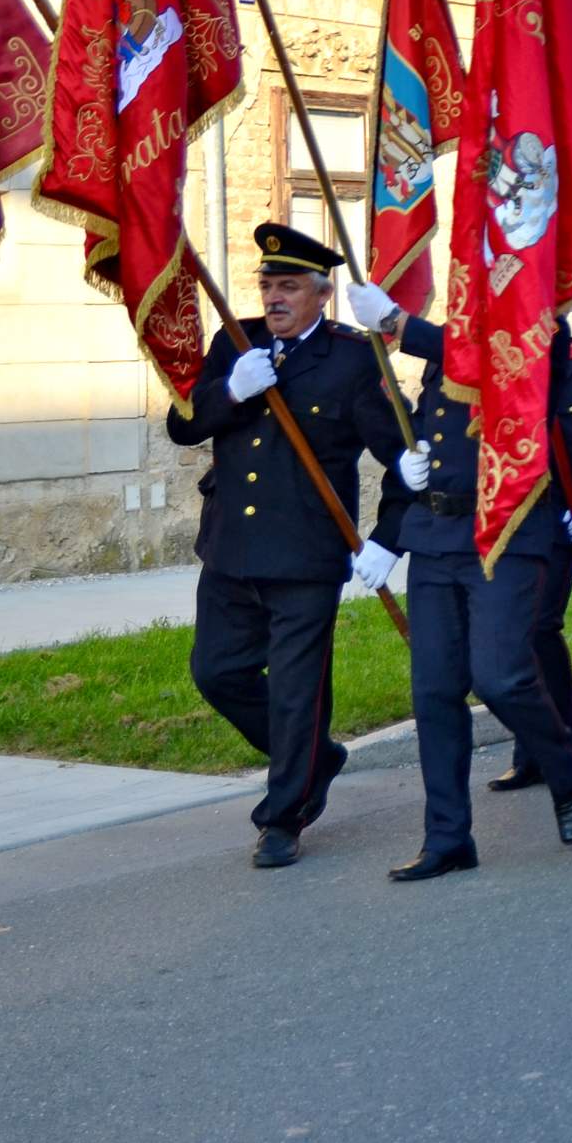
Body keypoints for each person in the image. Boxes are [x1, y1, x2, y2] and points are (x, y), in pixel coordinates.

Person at [166, 223, 414, 870]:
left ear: (320, 295)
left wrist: (388, 540)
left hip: (305, 555)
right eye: (266, 285)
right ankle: (314, 758)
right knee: (216, 672)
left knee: (298, 692)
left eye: (288, 288)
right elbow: (182, 424)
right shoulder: (235, 340)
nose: (273, 298)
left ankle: (283, 817)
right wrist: (230, 391)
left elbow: (406, 459)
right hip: (230, 547)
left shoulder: (353, 358)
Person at [344, 281, 572, 880]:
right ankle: (448, 837)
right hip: (438, 532)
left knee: (502, 676)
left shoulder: (542, 334)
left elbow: (502, 368)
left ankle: (563, 766)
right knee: (434, 691)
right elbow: (437, 429)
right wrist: (404, 493)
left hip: (505, 529)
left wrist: (401, 324)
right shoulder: (450, 344)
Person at [487, 316, 572, 793]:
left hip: (562, 516)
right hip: (504, 516)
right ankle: (536, 746)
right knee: (510, 635)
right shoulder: (501, 354)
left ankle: (559, 735)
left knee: (538, 626)